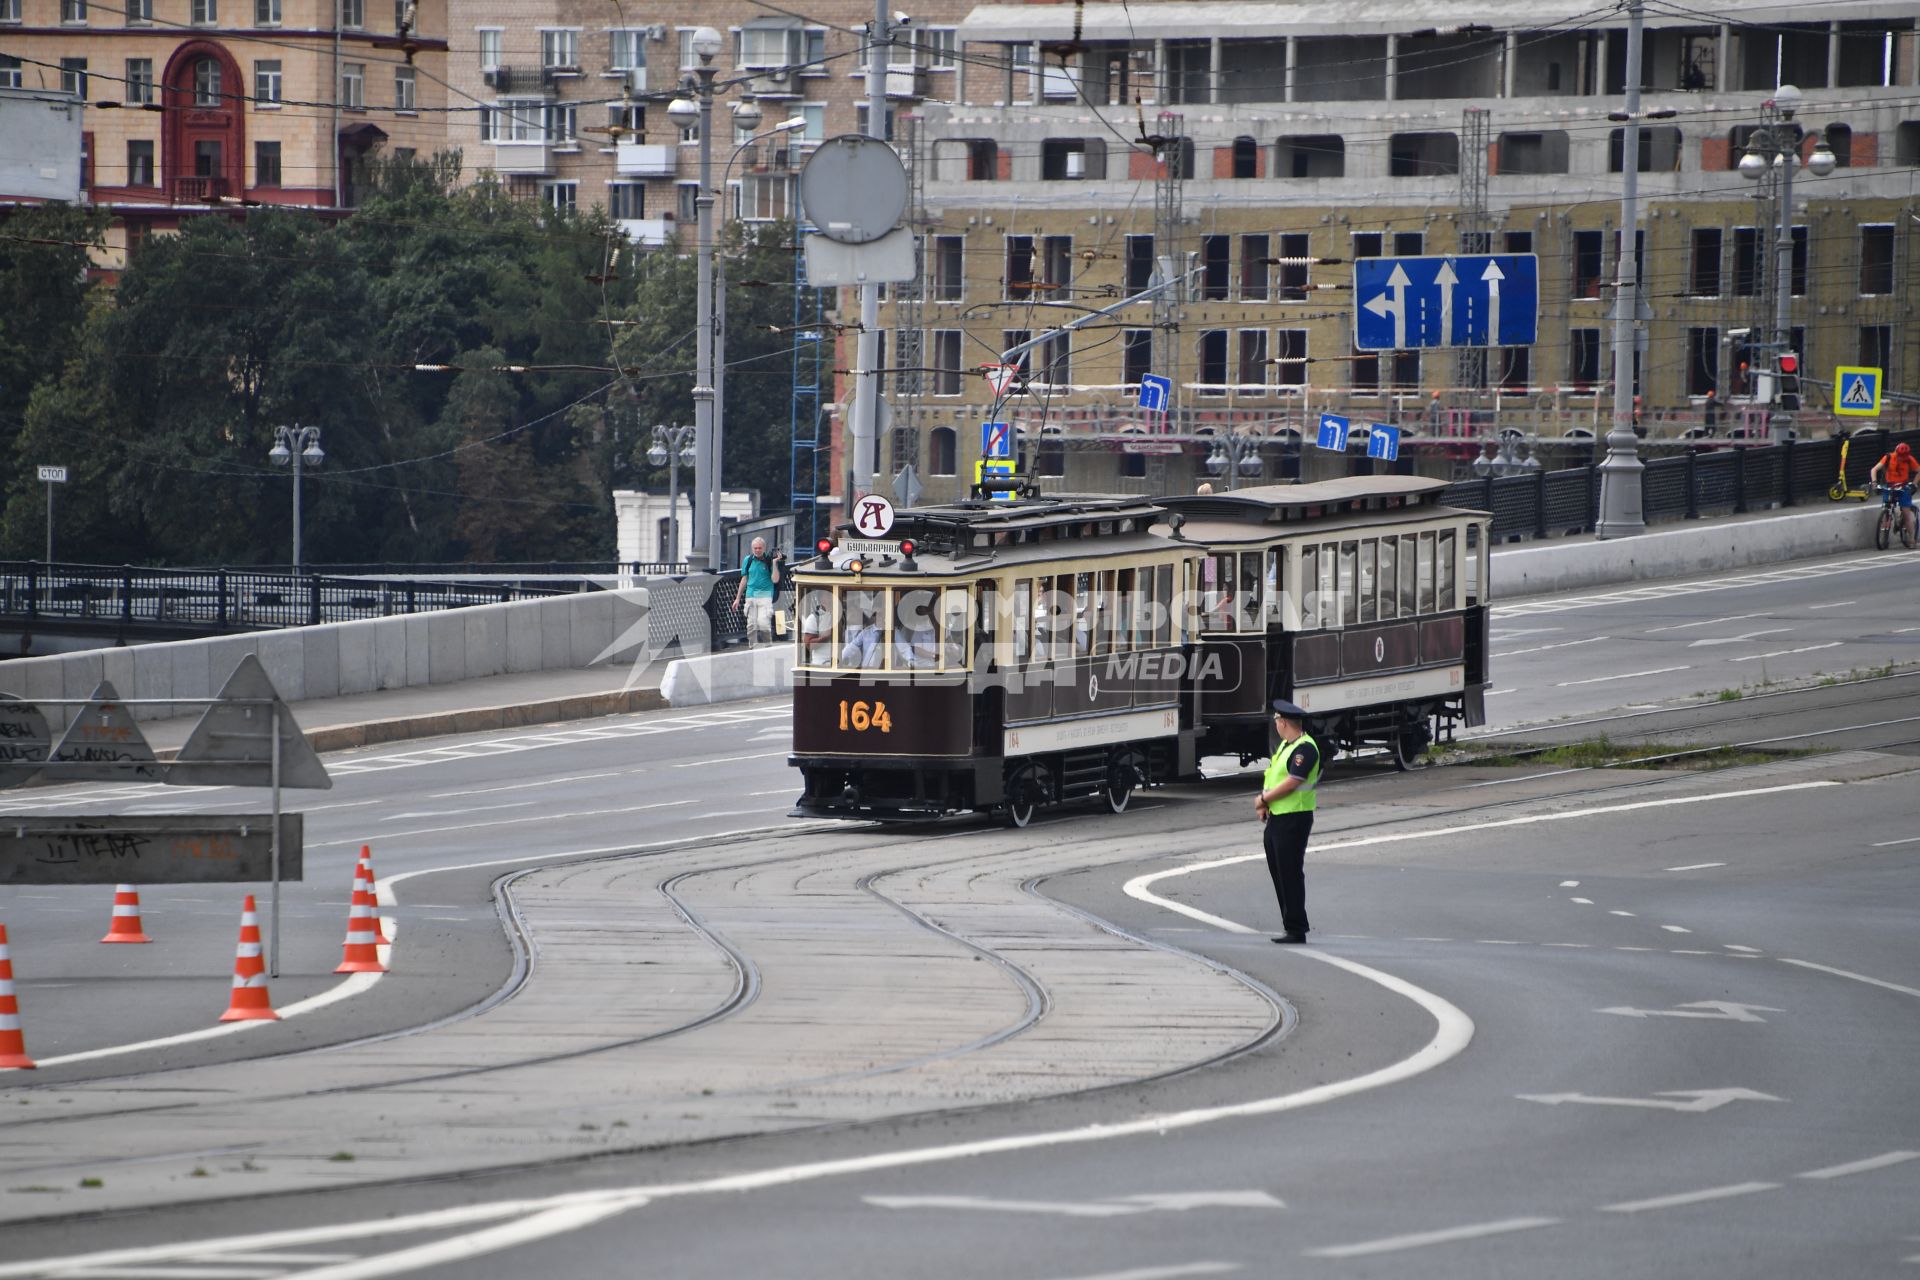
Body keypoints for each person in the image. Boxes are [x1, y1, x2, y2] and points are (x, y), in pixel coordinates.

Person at [1256, 699, 1321, 944]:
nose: (1276, 725)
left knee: (1290, 872)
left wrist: (1263, 799)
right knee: (1279, 872)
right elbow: (1273, 775)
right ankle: (1289, 924)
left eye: (1276, 721)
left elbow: (1293, 781)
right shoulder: (1286, 745)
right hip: (1278, 817)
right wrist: (1266, 804)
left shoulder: (1305, 748)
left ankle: (1296, 928)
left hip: (1295, 817)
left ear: (1283, 722)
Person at [732, 538, 781, 647]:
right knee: (751, 624)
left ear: (764, 548)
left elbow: (775, 579)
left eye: (760, 548)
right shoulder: (748, 560)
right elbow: (744, 579)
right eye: (755, 548)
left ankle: (767, 643)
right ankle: (753, 645)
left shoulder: (769, 560)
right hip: (751, 595)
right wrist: (737, 598)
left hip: (765, 595)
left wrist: (774, 563)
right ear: (752, 548)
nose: (757, 550)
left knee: (763, 622)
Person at [1871, 442, 1918, 541]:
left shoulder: (1909, 459)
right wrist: (1874, 482)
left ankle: (1912, 539)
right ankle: (1884, 535)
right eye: (1900, 456)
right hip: (1889, 487)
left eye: (1904, 456)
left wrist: (1914, 483)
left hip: (1903, 487)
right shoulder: (1888, 457)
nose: (1902, 458)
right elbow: (1874, 469)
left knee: (1906, 513)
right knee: (1886, 507)